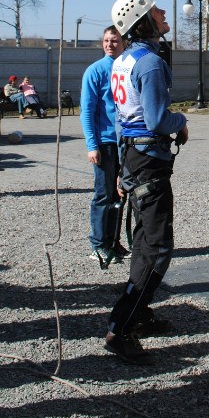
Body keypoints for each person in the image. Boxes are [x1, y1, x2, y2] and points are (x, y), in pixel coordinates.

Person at [104, 0, 188, 363]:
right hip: (148, 160)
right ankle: (120, 328)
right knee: (157, 249)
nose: (164, 10)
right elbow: (156, 119)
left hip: (134, 158)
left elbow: (126, 114)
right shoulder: (149, 63)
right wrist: (181, 122)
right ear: (143, 20)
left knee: (142, 239)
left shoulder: (123, 59)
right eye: (156, 9)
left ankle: (140, 313)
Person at [80, 24, 128, 268]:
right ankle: (98, 244)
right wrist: (92, 144)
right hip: (105, 143)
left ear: (124, 43)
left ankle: (114, 241)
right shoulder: (95, 71)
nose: (110, 44)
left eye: (115, 40)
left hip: (125, 142)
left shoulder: (126, 69)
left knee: (120, 194)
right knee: (103, 194)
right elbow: (86, 111)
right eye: (107, 40)